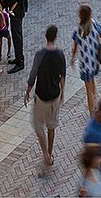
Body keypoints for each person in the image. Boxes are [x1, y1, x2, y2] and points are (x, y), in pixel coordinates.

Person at [25, 24, 68, 175]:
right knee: (51, 126)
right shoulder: (60, 55)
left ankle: (45, 153)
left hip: (41, 96)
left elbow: (33, 73)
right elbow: (63, 76)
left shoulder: (40, 54)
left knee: (38, 125)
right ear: (55, 37)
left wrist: (28, 90)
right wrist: (62, 93)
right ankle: (50, 152)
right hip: (55, 95)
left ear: (45, 36)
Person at [72, 5, 101, 113]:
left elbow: (74, 47)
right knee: (92, 82)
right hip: (94, 61)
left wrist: (72, 59)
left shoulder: (78, 30)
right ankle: (95, 103)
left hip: (84, 64)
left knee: (88, 89)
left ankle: (92, 112)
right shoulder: (95, 24)